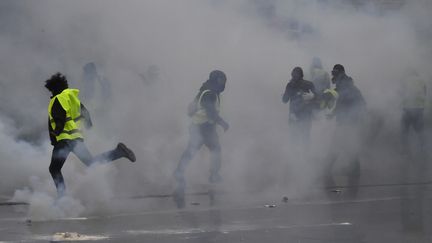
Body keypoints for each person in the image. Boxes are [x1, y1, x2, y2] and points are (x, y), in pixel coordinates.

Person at [45, 73, 136, 197]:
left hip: (64, 140)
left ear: (54, 88)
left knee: (54, 169)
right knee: (91, 162)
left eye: (51, 90)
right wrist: (88, 124)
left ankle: (62, 198)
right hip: (76, 139)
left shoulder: (58, 99)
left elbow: (59, 118)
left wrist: (57, 131)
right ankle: (119, 152)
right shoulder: (72, 98)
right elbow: (85, 113)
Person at [174, 70, 229, 189]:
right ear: (214, 80)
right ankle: (212, 175)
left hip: (203, 126)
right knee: (211, 149)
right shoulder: (209, 93)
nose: (223, 83)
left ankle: (180, 172)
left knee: (198, 150)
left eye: (224, 80)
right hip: (202, 127)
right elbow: (211, 113)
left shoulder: (209, 91)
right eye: (220, 80)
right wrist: (223, 123)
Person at [324, 64, 366, 198]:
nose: (333, 76)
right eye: (333, 72)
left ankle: (328, 169)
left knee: (342, 147)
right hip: (344, 123)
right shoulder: (344, 86)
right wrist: (333, 114)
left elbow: (360, 104)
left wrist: (352, 117)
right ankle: (351, 172)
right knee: (343, 147)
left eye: (335, 73)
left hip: (348, 124)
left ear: (341, 73)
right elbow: (341, 104)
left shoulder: (347, 87)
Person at [282, 67, 317, 147]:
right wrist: (313, 96)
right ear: (302, 75)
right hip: (306, 116)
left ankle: (295, 156)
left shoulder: (290, 85)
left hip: (294, 116)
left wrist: (284, 95)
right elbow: (318, 97)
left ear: (292, 75)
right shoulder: (309, 84)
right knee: (306, 137)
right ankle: (306, 156)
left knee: (294, 138)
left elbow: (284, 100)